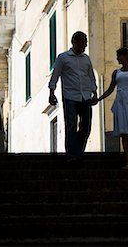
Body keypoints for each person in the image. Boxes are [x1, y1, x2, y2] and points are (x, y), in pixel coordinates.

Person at [95, 48, 128, 169]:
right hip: (121, 102)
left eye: (119, 56)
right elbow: (110, 89)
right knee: (124, 132)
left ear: (125, 56)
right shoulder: (116, 72)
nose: (117, 59)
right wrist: (99, 98)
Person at [48, 31, 98, 163]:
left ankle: (79, 151)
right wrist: (51, 92)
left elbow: (91, 76)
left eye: (86, 43)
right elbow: (55, 75)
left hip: (85, 95)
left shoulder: (86, 59)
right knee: (71, 124)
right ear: (75, 42)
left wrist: (95, 92)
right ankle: (72, 154)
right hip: (70, 95)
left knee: (86, 125)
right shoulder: (63, 58)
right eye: (83, 42)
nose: (85, 45)